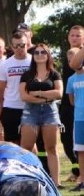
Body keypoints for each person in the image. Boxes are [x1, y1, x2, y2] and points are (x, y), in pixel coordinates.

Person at [19, 43, 63, 187]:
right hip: (30, 112)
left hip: (50, 112)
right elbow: (24, 96)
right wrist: (46, 97)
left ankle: (56, 183)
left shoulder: (54, 74)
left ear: (48, 55)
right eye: (36, 53)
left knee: (51, 147)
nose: (39, 55)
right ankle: (27, 179)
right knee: (26, 147)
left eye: (43, 52)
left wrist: (39, 94)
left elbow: (59, 93)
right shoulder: (27, 75)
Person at [0, 31, 31, 145]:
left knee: (29, 144)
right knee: (12, 145)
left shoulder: (34, 61)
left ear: (27, 44)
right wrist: (1, 114)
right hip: (10, 108)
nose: (19, 48)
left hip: (30, 107)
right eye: (16, 46)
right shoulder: (5, 64)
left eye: (22, 45)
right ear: (11, 47)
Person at [61, 25, 84, 182]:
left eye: (78, 35)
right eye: (72, 35)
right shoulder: (66, 56)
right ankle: (77, 169)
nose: (75, 38)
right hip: (67, 103)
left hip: (80, 105)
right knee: (66, 138)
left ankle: (80, 173)